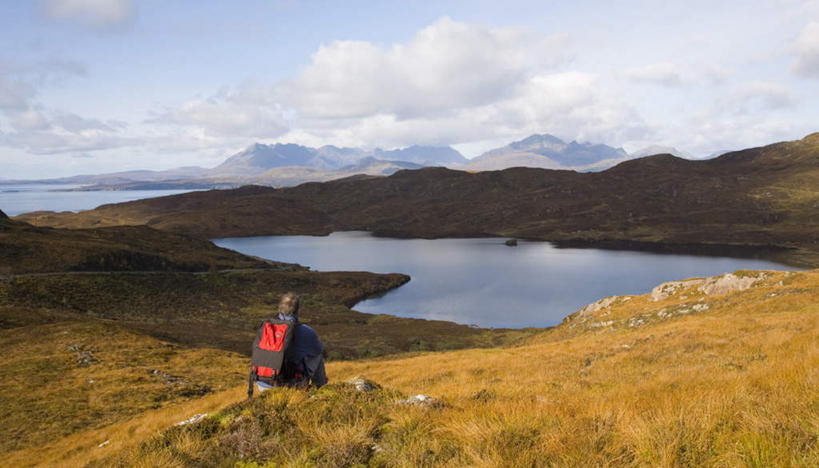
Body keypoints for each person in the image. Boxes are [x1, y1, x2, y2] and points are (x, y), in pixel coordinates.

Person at [255, 292, 328, 393]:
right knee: (317, 355)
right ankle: (321, 389)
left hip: (263, 384)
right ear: (298, 311)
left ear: (279, 308)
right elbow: (317, 351)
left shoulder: (266, 327)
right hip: (288, 387)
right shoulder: (306, 331)